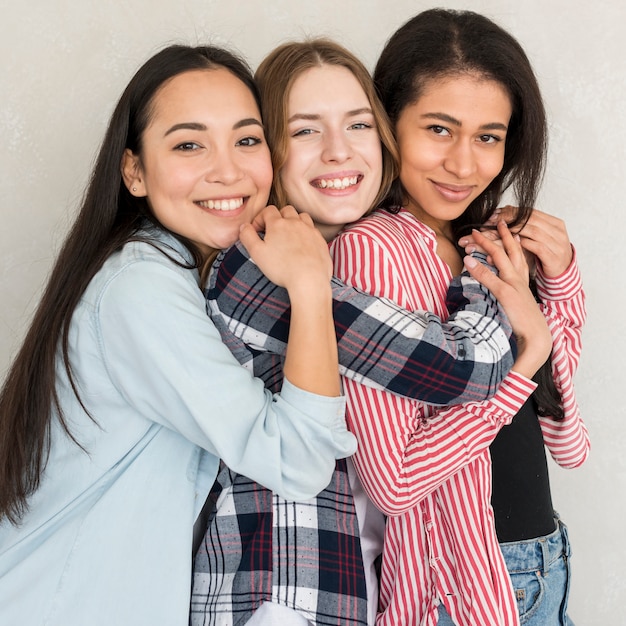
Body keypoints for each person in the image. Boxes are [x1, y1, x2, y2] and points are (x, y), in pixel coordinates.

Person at [0, 44, 362, 626]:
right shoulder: (139, 290)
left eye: (247, 140)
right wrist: (312, 287)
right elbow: (295, 459)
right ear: (134, 171)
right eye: (189, 144)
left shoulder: (193, 275)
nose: (227, 170)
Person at [196, 38, 553, 626]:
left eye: (358, 125)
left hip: (353, 594)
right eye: (306, 131)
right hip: (281, 599)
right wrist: (486, 274)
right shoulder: (261, 264)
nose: (339, 152)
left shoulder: (350, 256)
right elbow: (467, 367)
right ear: (266, 151)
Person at [340, 8, 587, 625]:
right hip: (461, 583)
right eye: (439, 129)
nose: (464, 164)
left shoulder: (484, 241)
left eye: (488, 136)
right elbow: (393, 483)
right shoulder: (372, 248)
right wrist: (522, 363)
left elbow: (557, 419)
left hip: (541, 558)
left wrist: (559, 279)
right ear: (388, 123)